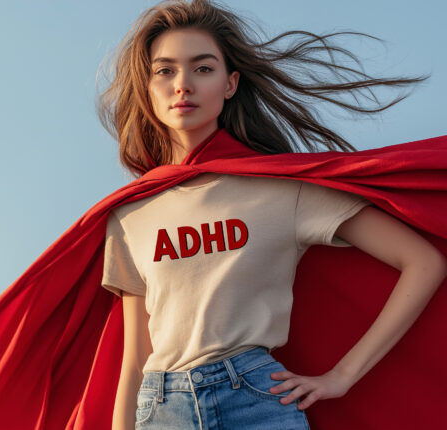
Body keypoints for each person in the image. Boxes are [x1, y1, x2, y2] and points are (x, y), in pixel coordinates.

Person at [95, 0, 446, 429]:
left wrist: (343, 377)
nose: (182, 84)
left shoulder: (282, 190)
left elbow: (423, 261)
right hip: (162, 409)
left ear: (230, 83)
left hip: (257, 401)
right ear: (147, 87)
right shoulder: (131, 213)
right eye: (164, 71)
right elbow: (136, 358)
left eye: (202, 68)